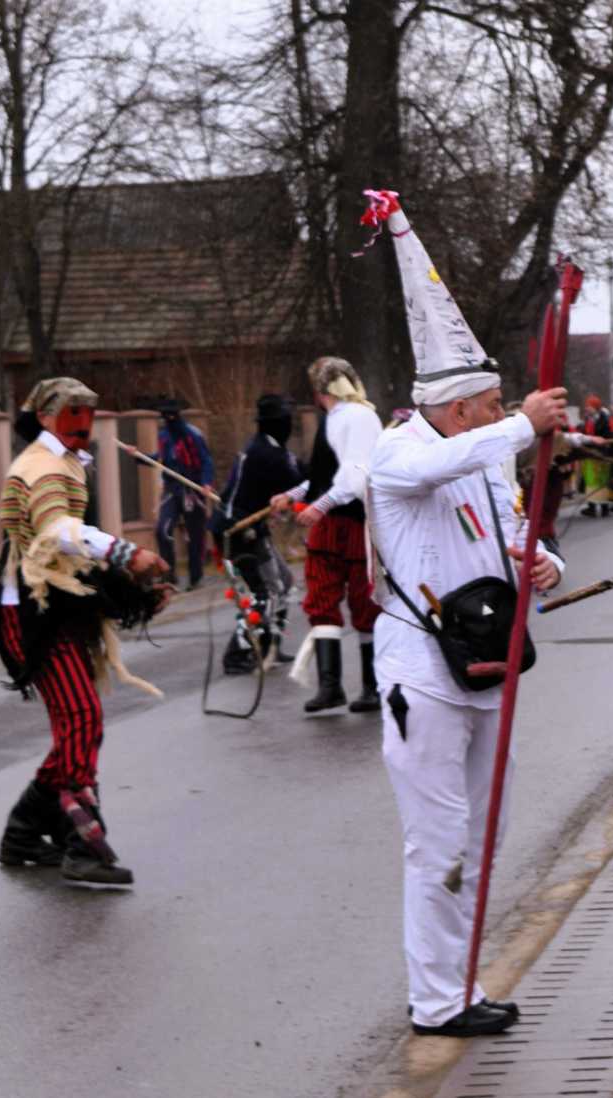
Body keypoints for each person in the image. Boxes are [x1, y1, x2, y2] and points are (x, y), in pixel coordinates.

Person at [362, 195, 568, 1038]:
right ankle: (435, 1001)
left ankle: (463, 983)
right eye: (489, 404)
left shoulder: (483, 457)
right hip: (425, 674)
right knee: (439, 844)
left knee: (484, 838)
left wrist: (544, 565)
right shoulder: (403, 449)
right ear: (456, 407)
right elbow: (447, 462)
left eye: (500, 404)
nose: (498, 413)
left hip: (491, 665)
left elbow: (517, 538)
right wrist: (521, 426)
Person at [0, 378, 172, 886]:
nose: (83, 422)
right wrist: (125, 554)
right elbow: (57, 532)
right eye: (72, 412)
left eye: (88, 412)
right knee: (80, 714)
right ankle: (82, 840)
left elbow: (68, 549)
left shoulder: (64, 459)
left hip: (49, 600)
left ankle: (25, 831)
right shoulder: (41, 466)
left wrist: (129, 588)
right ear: (47, 415)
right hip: (30, 608)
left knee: (79, 719)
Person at [271, 356, 385, 714]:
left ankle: (373, 686)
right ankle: (331, 686)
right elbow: (327, 475)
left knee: (365, 602)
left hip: (353, 523)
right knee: (321, 598)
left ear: (321, 389)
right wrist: (296, 495)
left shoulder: (359, 418)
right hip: (328, 525)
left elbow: (356, 474)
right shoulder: (334, 419)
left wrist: (322, 505)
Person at [211, 395, 303, 673]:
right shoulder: (266, 453)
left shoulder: (262, 447)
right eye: (284, 421)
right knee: (263, 593)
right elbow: (298, 480)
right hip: (237, 532)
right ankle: (237, 654)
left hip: (252, 527)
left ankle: (271, 646)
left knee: (284, 583)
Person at [150, 399, 214, 591]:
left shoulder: (193, 435)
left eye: (172, 416)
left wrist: (206, 483)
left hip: (193, 488)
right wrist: (139, 456)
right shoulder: (163, 437)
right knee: (162, 530)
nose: (169, 420)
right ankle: (169, 576)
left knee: (195, 536)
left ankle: (196, 577)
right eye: (166, 417)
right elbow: (162, 459)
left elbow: (206, 460)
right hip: (172, 489)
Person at [579, 395, 613, 516]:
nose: (587, 408)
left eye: (589, 406)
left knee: (602, 480)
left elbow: (607, 435)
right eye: (587, 406)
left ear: (595, 407)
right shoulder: (587, 419)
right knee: (590, 480)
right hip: (589, 454)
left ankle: (604, 507)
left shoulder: (604, 419)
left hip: (601, 454)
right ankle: (592, 506)